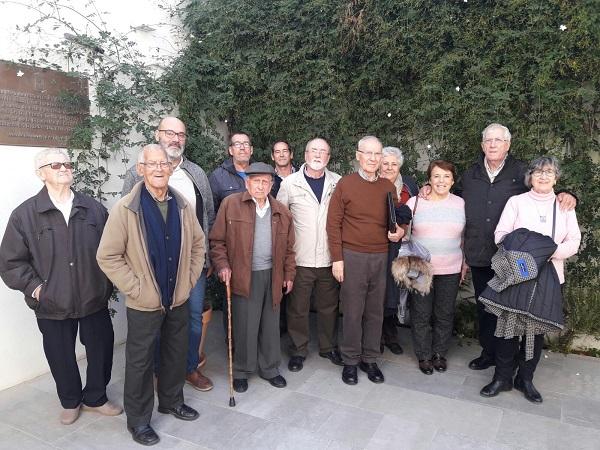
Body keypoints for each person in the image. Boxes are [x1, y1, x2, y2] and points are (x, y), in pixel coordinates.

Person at [0, 148, 121, 426]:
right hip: (52, 302)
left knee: (101, 349)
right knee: (60, 354)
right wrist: (37, 289)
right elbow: (10, 262)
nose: (64, 168)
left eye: (67, 163)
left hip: (93, 297)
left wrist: (107, 283)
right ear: (41, 174)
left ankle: (96, 397)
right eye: (55, 165)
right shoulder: (25, 215)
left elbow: (113, 249)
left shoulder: (93, 208)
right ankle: (70, 401)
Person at [97, 144, 205, 446]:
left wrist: (188, 280)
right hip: (145, 303)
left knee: (175, 352)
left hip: (178, 296)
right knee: (140, 362)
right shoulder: (126, 208)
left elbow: (198, 245)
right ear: (141, 169)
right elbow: (107, 256)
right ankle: (139, 420)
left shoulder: (182, 204)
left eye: (164, 164)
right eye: (152, 164)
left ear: (171, 169)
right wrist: (137, 289)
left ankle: (171, 401)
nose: (159, 169)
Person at [450, 123, 576, 371]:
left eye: (498, 140)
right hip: (481, 253)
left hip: (514, 261)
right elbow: (451, 196)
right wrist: (426, 189)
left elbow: (543, 190)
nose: (493, 144)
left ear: (508, 144)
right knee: (486, 308)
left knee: (511, 311)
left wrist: (568, 194)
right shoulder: (471, 173)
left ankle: (513, 362)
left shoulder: (520, 171)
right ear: (482, 145)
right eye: (488, 140)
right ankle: (489, 354)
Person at [121, 116, 215, 392]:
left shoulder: (195, 173)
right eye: (170, 133)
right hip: (151, 264)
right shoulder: (136, 173)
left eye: (181, 135)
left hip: (190, 264)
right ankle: (160, 371)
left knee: (193, 318)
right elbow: (127, 216)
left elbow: (207, 213)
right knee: (157, 320)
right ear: (157, 134)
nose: (176, 139)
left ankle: (188, 368)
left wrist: (205, 256)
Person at [479, 156, 580, 402]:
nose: (543, 176)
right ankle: (501, 378)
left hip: (550, 276)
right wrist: (530, 254)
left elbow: (574, 242)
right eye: (538, 172)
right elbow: (501, 235)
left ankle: (525, 379)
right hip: (517, 274)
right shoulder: (516, 202)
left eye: (549, 172)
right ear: (530, 177)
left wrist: (546, 252)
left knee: (535, 330)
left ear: (556, 177)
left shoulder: (564, 206)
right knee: (507, 328)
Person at [209, 162, 296, 393]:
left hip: (273, 274)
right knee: (245, 325)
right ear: (247, 183)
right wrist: (222, 266)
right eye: (255, 181)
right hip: (243, 275)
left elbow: (289, 249)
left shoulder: (281, 211)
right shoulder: (230, 204)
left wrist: (289, 274)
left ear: (271, 184)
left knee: (270, 325)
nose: (260, 186)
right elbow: (217, 241)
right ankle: (242, 370)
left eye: (265, 182)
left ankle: (270, 368)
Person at [327, 136, 404, 385]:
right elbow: (333, 223)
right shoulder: (346, 184)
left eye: (377, 154)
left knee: (375, 311)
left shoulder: (387, 187)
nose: (372, 158)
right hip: (352, 256)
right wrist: (337, 259)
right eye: (367, 153)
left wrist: (400, 230)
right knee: (352, 310)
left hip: (380, 255)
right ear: (358, 155)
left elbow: (397, 218)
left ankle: (370, 359)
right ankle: (350, 361)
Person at [277, 137, 343, 372]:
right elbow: (281, 223)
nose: (317, 155)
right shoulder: (289, 183)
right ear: (305, 155)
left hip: (328, 258)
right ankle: (298, 350)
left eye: (323, 151)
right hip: (300, 258)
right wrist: (285, 260)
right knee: (298, 308)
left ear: (328, 157)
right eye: (313, 150)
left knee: (329, 307)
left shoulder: (338, 182)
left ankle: (327, 347)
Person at [405, 160, 466, 375]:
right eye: (437, 176)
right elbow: (404, 235)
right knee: (420, 314)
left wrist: (464, 262)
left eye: (446, 176)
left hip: (450, 267)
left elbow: (465, 236)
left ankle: (439, 353)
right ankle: (423, 355)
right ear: (429, 179)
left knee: (444, 314)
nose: (441, 180)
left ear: (452, 180)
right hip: (419, 269)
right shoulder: (415, 202)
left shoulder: (460, 203)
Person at [379, 146, 417, 354]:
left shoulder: (409, 186)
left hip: (401, 248)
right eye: (385, 163)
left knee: (394, 292)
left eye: (394, 164)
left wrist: (402, 230)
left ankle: (391, 335)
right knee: (378, 293)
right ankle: (376, 336)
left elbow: (415, 210)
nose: (389, 167)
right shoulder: (372, 183)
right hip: (376, 246)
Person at [208, 131, 254, 212]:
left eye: (246, 144)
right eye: (237, 144)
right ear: (230, 150)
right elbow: (210, 211)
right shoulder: (218, 177)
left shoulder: (260, 174)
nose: (242, 148)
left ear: (251, 150)